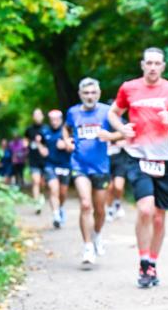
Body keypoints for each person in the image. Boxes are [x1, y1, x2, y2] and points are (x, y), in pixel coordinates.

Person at [108, 47, 168, 288]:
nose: (153, 67)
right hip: (137, 156)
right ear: (142, 65)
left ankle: (153, 262)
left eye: (157, 63)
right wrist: (121, 128)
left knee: (158, 217)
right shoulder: (129, 88)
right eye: (149, 63)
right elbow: (114, 113)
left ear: (163, 66)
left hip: (164, 159)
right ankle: (144, 263)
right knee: (145, 209)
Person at [65, 78, 123, 267]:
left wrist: (110, 136)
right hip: (79, 164)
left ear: (98, 94)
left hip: (101, 167)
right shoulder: (73, 112)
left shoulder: (107, 112)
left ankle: (97, 235)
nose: (89, 96)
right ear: (80, 94)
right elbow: (66, 129)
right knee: (85, 204)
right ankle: (87, 246)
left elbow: (124, 131)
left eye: (93, 93)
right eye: (86, 93)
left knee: (100, 210)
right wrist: (67, 141)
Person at [41, 109, 73, 228]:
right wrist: (41, 148)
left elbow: (74, 146)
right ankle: (56, 216)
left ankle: (60, 208)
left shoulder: (66, 131)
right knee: (53, 189)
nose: (54, 122)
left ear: (61, 119)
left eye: (56, 119)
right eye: (52, 120)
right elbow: (41, 144)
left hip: (65, 165)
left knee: (63, 193)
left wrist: (66, 145)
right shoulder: (45, 132)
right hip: (50, 165)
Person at [105, 104, 130, 222]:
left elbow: (132, 139)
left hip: (120, 159)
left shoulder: (124, 123)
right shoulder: (103, 123)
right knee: (109, 187)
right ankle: (109, 210)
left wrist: (124, 143)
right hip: (106, 159)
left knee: (118, 187)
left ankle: (117, 203)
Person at [24, 109, 49, 213]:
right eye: (35, 115)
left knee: (43, 183)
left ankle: (41, 195)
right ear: (33, 117)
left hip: (45, 160)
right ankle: (37, 204)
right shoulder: (29, 129)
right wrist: (26, 145)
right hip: (33, 159)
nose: (37, 117)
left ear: (42, 116)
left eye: (39, 115)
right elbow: (25, 141)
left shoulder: (46, 129)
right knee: (35, 181)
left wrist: (41, 144)